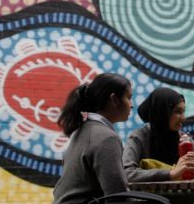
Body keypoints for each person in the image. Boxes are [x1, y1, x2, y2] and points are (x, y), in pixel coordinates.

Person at [53, 73, 134, 204]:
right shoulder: (107, 138)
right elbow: (118, 196)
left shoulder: (81, 130)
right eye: (129, 98)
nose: (131, 105)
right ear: (114, 99)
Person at [122, 87, 194, 183]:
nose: (183, 118)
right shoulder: (139, 138)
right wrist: (171, 173)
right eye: (178, 112)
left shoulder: (184, 140)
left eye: (183, 111)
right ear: (162, 112)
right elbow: (127, 173)